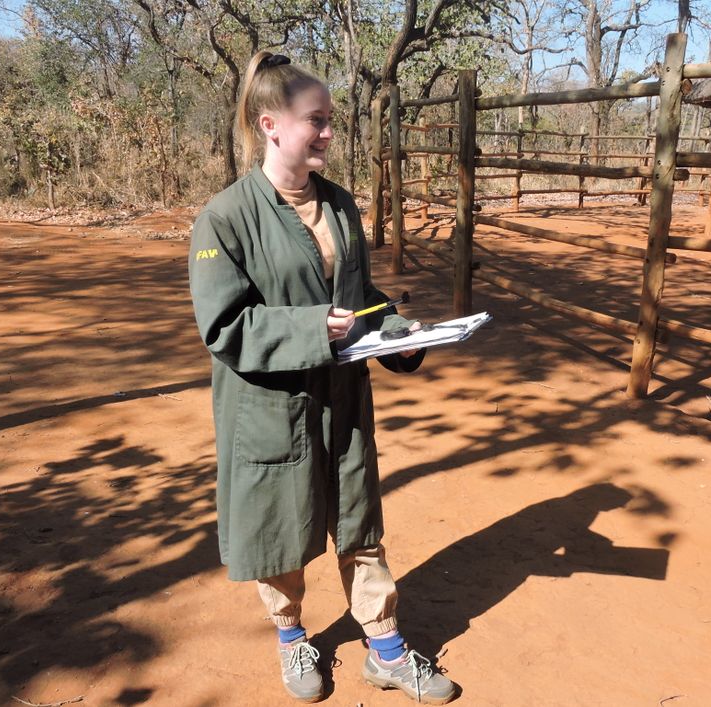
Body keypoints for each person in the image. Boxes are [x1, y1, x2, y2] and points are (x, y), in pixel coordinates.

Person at [188, 51, 456, 705]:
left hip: (343, 400)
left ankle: (387, 650)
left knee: (360, 523)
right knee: (281, 528)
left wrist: (399, 338)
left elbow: (359, 299)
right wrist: (313, 329)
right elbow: (224, 327)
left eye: (331, 120)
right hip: (272, 407)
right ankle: (291, 639)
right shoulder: (225, 219)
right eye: (318, 120)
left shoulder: (339, 206)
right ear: (271, 124)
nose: (329, 133)